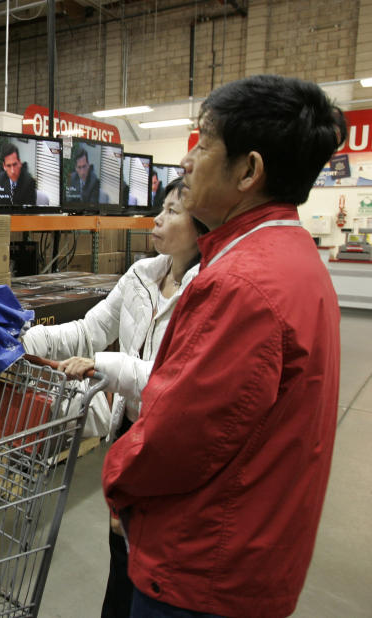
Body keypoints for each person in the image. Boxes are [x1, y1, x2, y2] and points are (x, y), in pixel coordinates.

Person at [102, 74, 346, 618]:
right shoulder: (291, 256)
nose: (187, 160)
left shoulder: (241, 282)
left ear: (249, 171)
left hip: (201, 571)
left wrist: (116, 479)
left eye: (205, 141)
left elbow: (177, 437)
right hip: (251, 551)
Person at [22, 177, 207, 618]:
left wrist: (104, 366)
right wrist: (27, 339)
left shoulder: (208, 291)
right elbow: (90, 330)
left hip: (170, 447)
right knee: (119, 560)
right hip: (129, 436)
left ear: (202, 225)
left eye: (174, 211)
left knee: (148, 570)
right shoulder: (141, 275)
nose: (159, 218)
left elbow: (177, 380)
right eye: (161, 207)